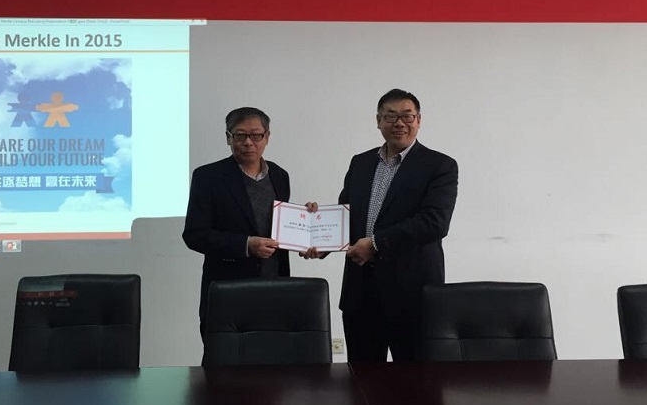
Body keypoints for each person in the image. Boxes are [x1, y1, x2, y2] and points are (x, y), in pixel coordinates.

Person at [304, 89, 457, 362]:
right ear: (378, 121)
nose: (399, 123)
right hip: (361, 293)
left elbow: (435, 222)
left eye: (407, 116)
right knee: (361, 379)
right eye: (390, 116)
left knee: (415, 380)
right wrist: (317, 233)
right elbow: (347, 214)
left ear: (419, 120)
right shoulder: (361, 162)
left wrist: (375, 244)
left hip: (412, 294)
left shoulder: (439, 165)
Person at [182, 107, 290, 343]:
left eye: (256, 135)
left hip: (275, 287)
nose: (248, 142)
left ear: (267, 137)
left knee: (273, 359)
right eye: (240, 135)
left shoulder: (280, 176)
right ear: (228, 137)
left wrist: (309, 222)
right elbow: (194, 234)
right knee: (222, 361)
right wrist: (246, 244)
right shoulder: (208, 177)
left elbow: (284, 229)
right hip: (226, 290)